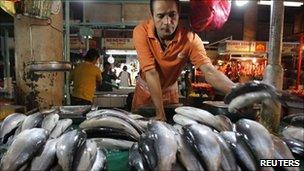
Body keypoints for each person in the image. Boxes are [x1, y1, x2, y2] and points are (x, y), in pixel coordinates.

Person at [132, 0, 236, 121]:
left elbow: (209, 70)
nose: (167, 22)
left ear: (179, 13)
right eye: (160, 16)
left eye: (172, 15)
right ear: (152, 15)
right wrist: (160, 113)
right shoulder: (141, 32)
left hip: (170, 93)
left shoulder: (190, 39)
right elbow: (151, 72)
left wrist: (236, 90)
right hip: (145, 92)